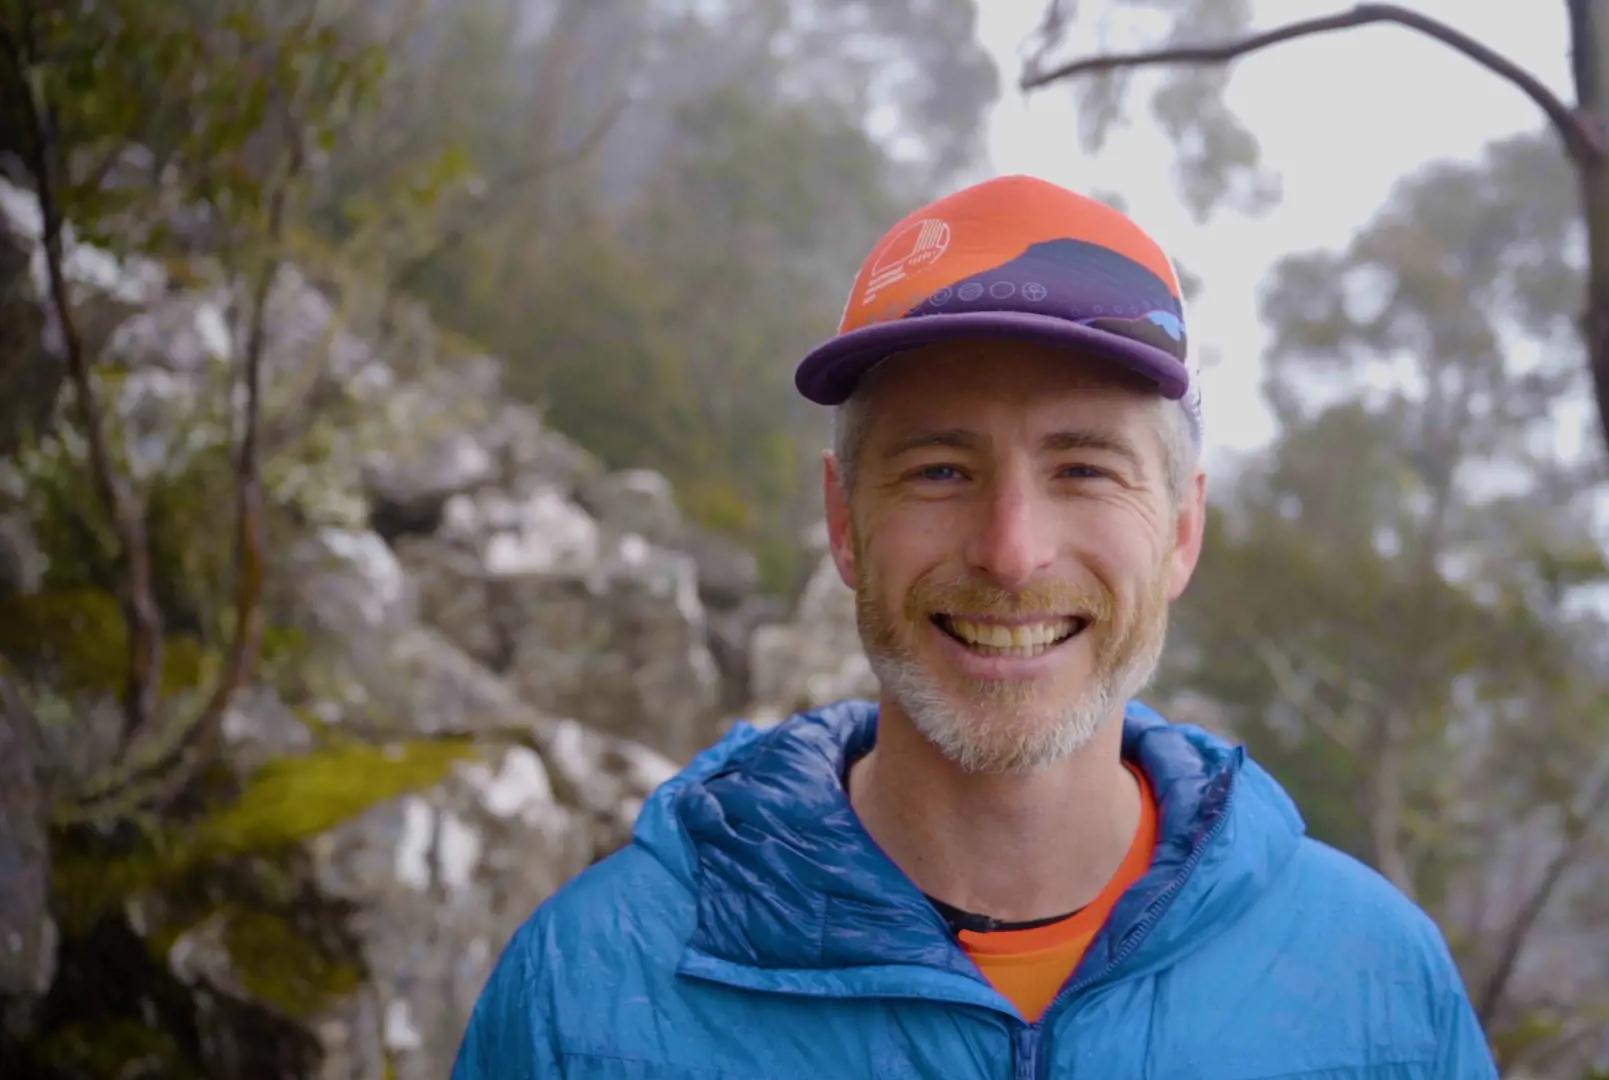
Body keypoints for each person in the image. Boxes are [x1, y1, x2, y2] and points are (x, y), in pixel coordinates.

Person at [450, 174, 1499, 1079]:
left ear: (1182, 531)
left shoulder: (1378, 989)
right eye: (940, 470)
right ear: (844, 524)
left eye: (1083, 468)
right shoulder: (585, 992)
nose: (1010, 551)